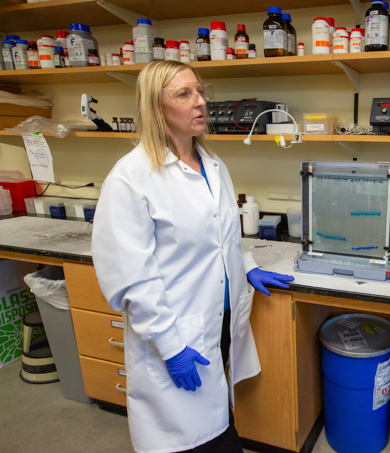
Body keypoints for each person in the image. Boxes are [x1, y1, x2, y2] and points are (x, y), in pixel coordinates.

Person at [92, 60, 294, 453]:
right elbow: (133, 278)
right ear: (155, 105)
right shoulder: (131, 178)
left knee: (218, 422)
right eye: (184, 94)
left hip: (215, 325)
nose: (200, 102)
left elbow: (222, 239)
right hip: (174, 335)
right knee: (185, 439)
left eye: (200, 91)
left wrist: (245, 268)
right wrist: (170, 346)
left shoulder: (212, 166)